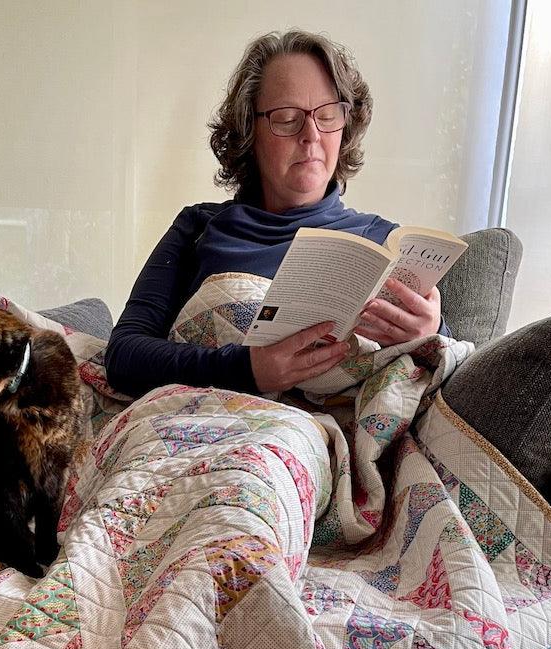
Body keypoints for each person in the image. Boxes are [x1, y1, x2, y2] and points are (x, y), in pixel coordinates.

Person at [105, 29, 448, 399]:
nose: (311, 134)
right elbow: (124, 355)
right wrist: (245, 370)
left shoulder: (386, 244)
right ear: (249, 131)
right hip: (201, 422)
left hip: (315, 440)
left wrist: (430, 333)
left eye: (328, 114)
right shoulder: (198, 227)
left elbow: (432, 379)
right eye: (287, 118)